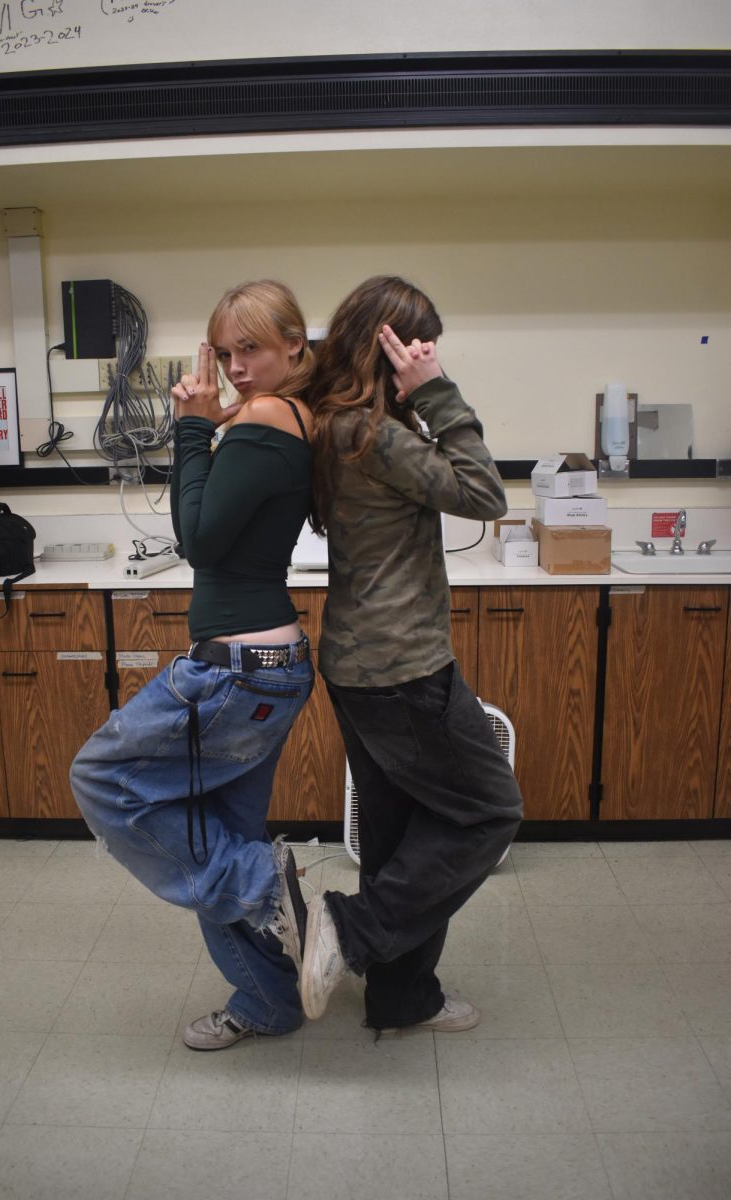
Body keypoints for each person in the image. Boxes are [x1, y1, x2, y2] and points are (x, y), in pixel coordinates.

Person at [71, 279, 316, 1051]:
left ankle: (265, 884)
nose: (240, 366)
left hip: (236, 672)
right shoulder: (274, 419)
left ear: (294, 349)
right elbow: (204, 532)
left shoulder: (269, 416)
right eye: (227, 350)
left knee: (100, 777)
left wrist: (189, 429)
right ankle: (270, 1000)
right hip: (264, 666)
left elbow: (200, 543)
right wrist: (202, 430)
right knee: (211, 835)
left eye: (255, 349)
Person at [299, 275, 524, 1033]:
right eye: (418, 345)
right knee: (490, 810)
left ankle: (402, 999)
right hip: (404, 669)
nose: (428, 355)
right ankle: (351, 927)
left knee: (399, 837)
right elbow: (486, 496)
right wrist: (437, 393)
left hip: (358, 667)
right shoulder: (377, 434)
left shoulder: (329, 425)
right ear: (385, 347)